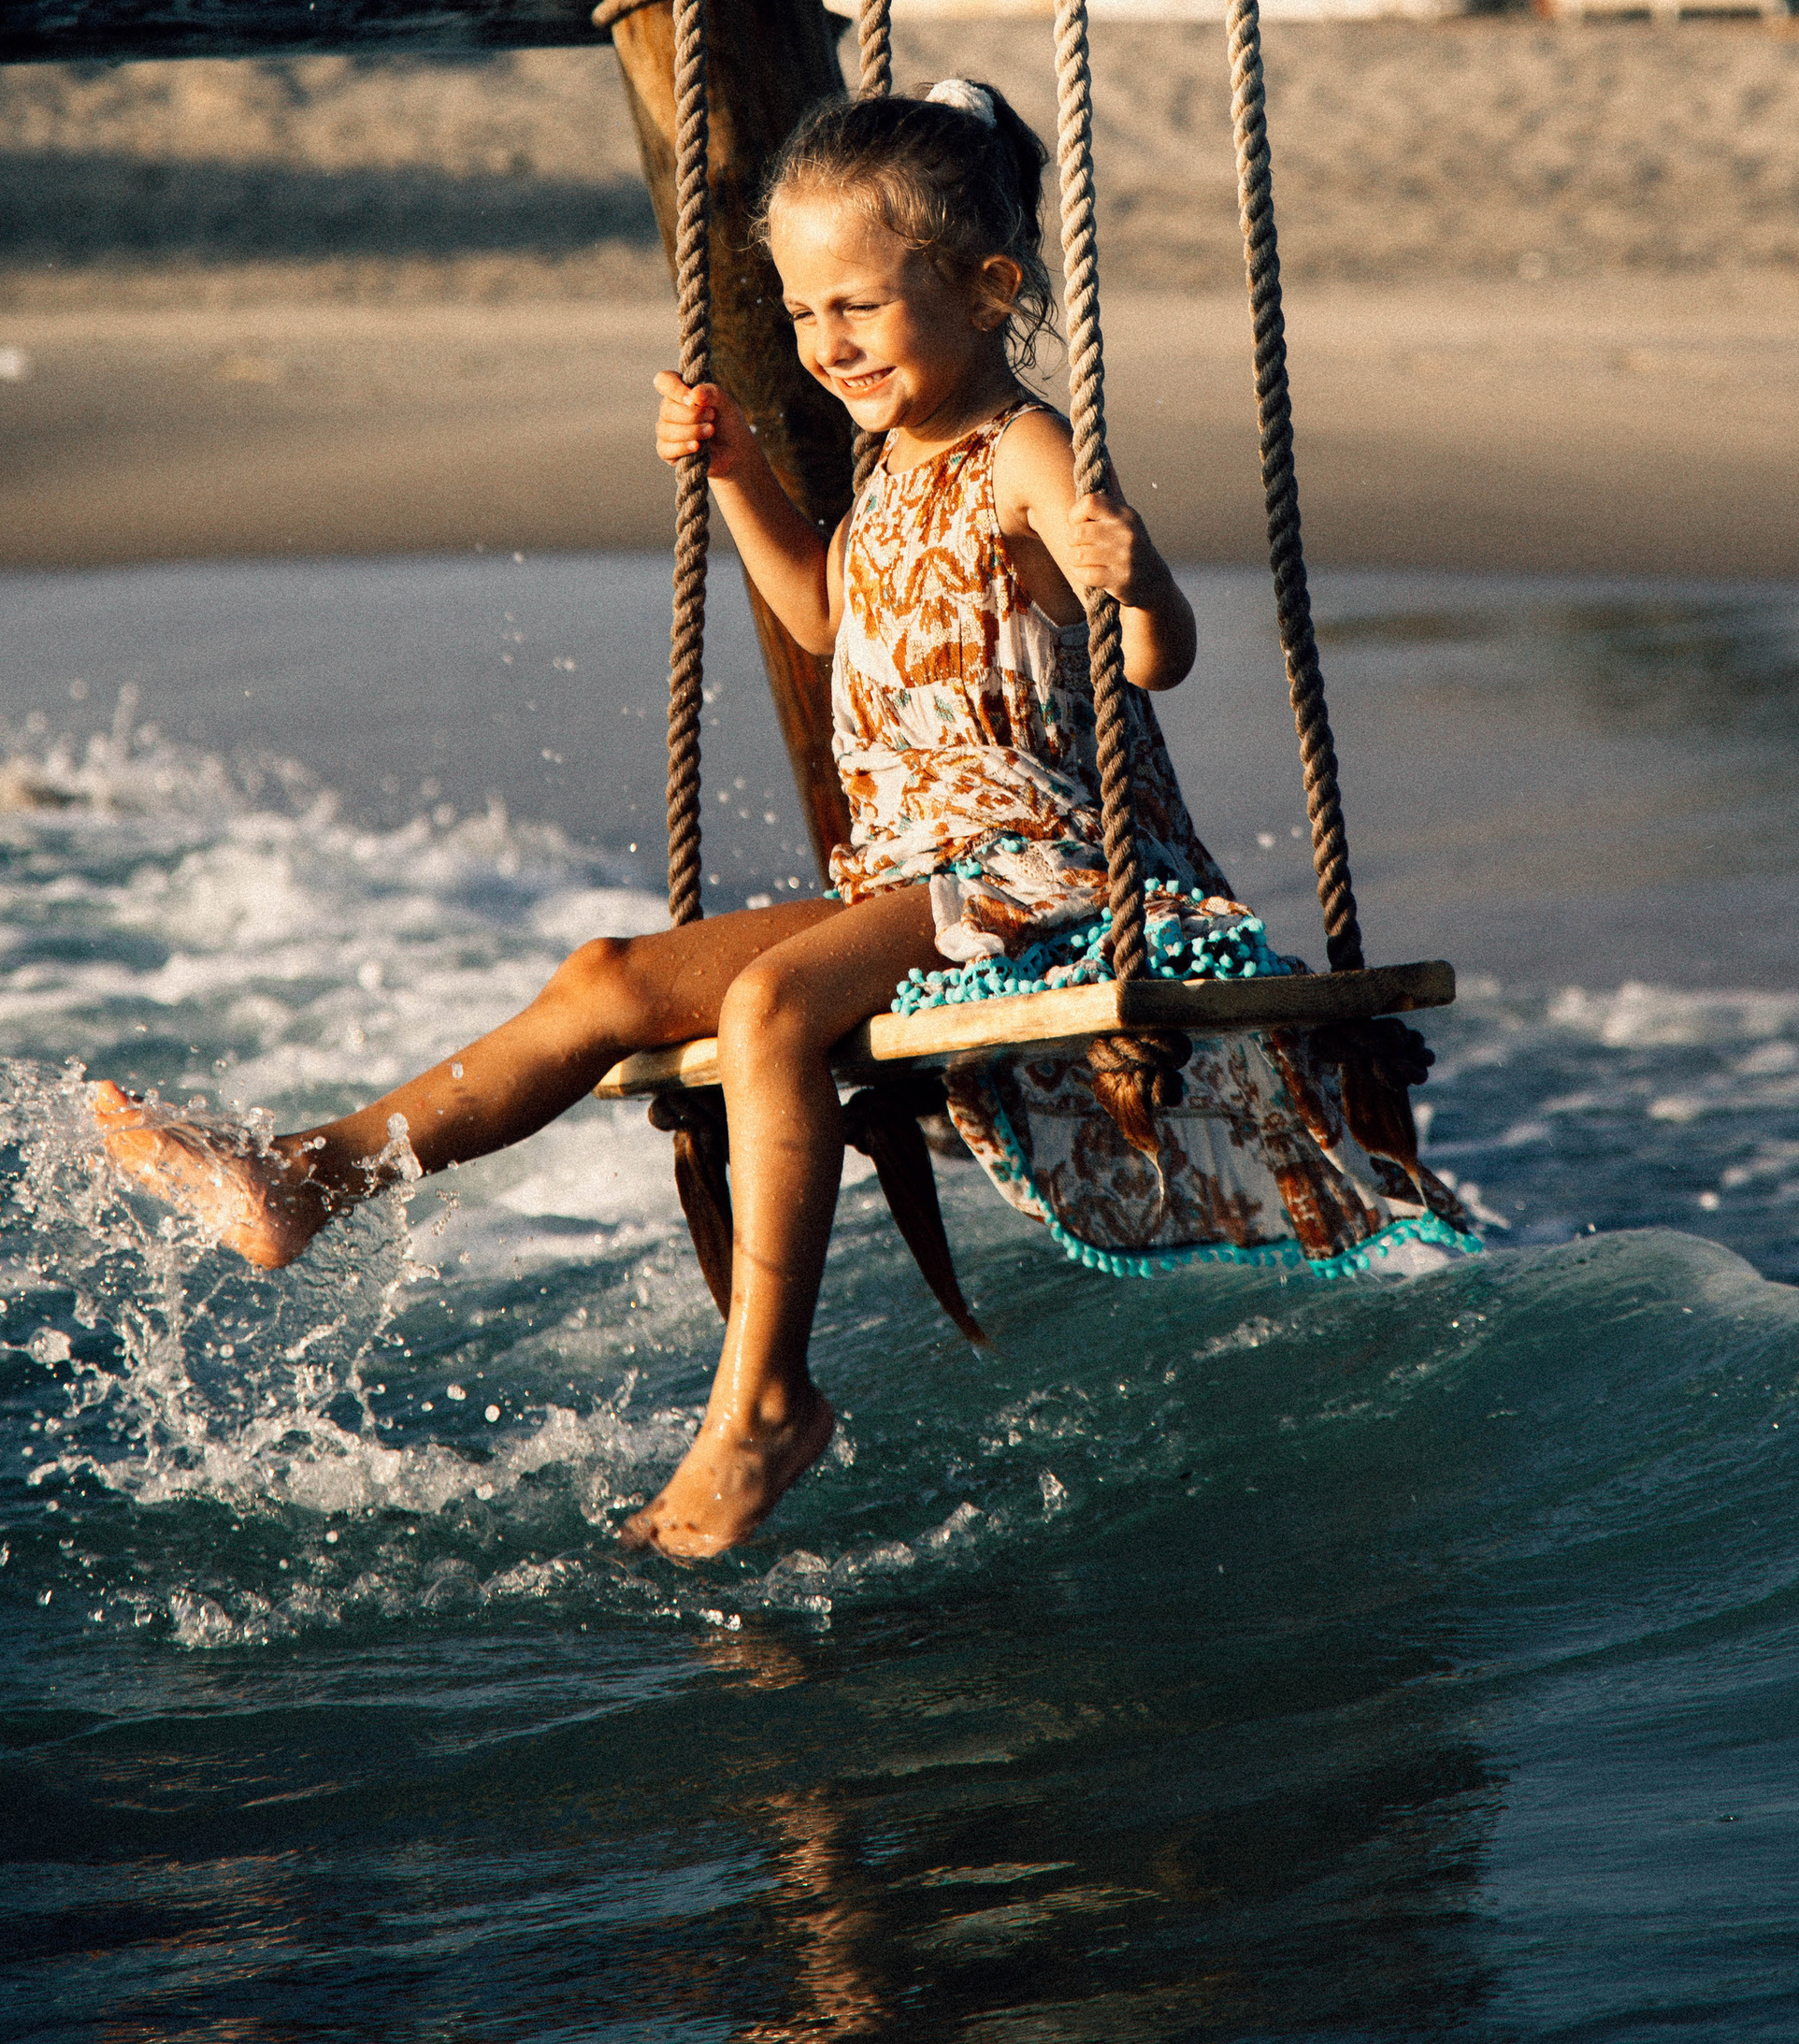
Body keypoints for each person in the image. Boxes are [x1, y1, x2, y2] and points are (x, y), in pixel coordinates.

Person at [89, 78, 1281, 1562]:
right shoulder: (886, 459)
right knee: (605, 980)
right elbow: (827, 615)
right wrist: (736, 473)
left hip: (1048, 879)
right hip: (919, 878)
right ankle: (305, 1179)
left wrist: (1136, 579)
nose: (826, 342)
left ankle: (766, 1404)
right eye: (801, 315)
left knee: (776, 1006)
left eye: (859, 305)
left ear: (989, 292)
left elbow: (1154, 660)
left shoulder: (1026, 451)